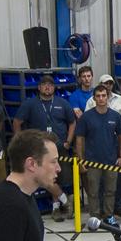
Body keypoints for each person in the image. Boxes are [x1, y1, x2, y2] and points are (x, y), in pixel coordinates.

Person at [14, 75, 75, 218]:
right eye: (44, 85)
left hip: (60, 148)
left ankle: (58, 206)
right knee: (46, 178)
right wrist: (21, 141)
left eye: (50, 85)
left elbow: (72, 122)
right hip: (39, 150)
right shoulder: (30, 104)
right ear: (39, 87)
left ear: (54, 88)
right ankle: (63, 203)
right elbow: (17, 122)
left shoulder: (62, 103)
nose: (47, 87)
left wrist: (68, 141)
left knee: (63, 178)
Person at [73, 85, 121, 232]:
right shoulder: (86, 117)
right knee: (93, 192)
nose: (101, 98)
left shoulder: (115, 116)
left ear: (107, 97)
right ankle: (94, 218)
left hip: (111, 161)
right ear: (94, 98)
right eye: (98, 96)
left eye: (104, 95)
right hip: (92, 162)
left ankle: (109, 216)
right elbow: (79, 140)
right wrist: (80, 160)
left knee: (110, 190)